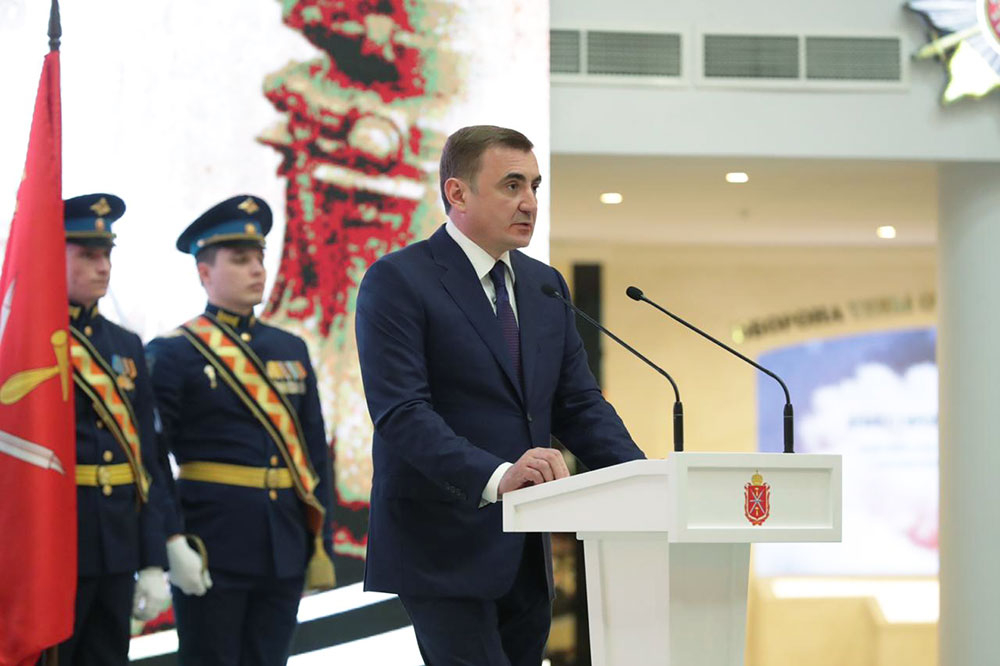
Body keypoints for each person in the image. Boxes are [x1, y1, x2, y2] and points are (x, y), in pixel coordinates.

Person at [355, 126, 646, 665]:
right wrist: (497, 475)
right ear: (457, 193)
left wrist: (644, 480)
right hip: (440, 543)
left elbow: (579, 405)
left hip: (526, 552)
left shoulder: (544, 285)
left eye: (535, 186)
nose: (529, 202)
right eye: (512, 185)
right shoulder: (398, 280)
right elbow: (402, 413)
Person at [145, 195, 335, 666]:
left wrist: (319, 544)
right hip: (212, 543)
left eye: (259, 259)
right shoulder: (173, 353)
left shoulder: (289, 348)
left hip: (284, 543)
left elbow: (314, 453)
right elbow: (152, 457)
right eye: (239, 259)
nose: (256, 270)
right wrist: (169, 541)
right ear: (204, 273)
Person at [57, 193, 185, 664]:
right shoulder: (20, 339)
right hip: (50, 545)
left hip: (116, 546)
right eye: (88, 255)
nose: (103, 267)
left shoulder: (125, 345)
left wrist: (152, 558)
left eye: (107, 254)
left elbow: (145, 458)